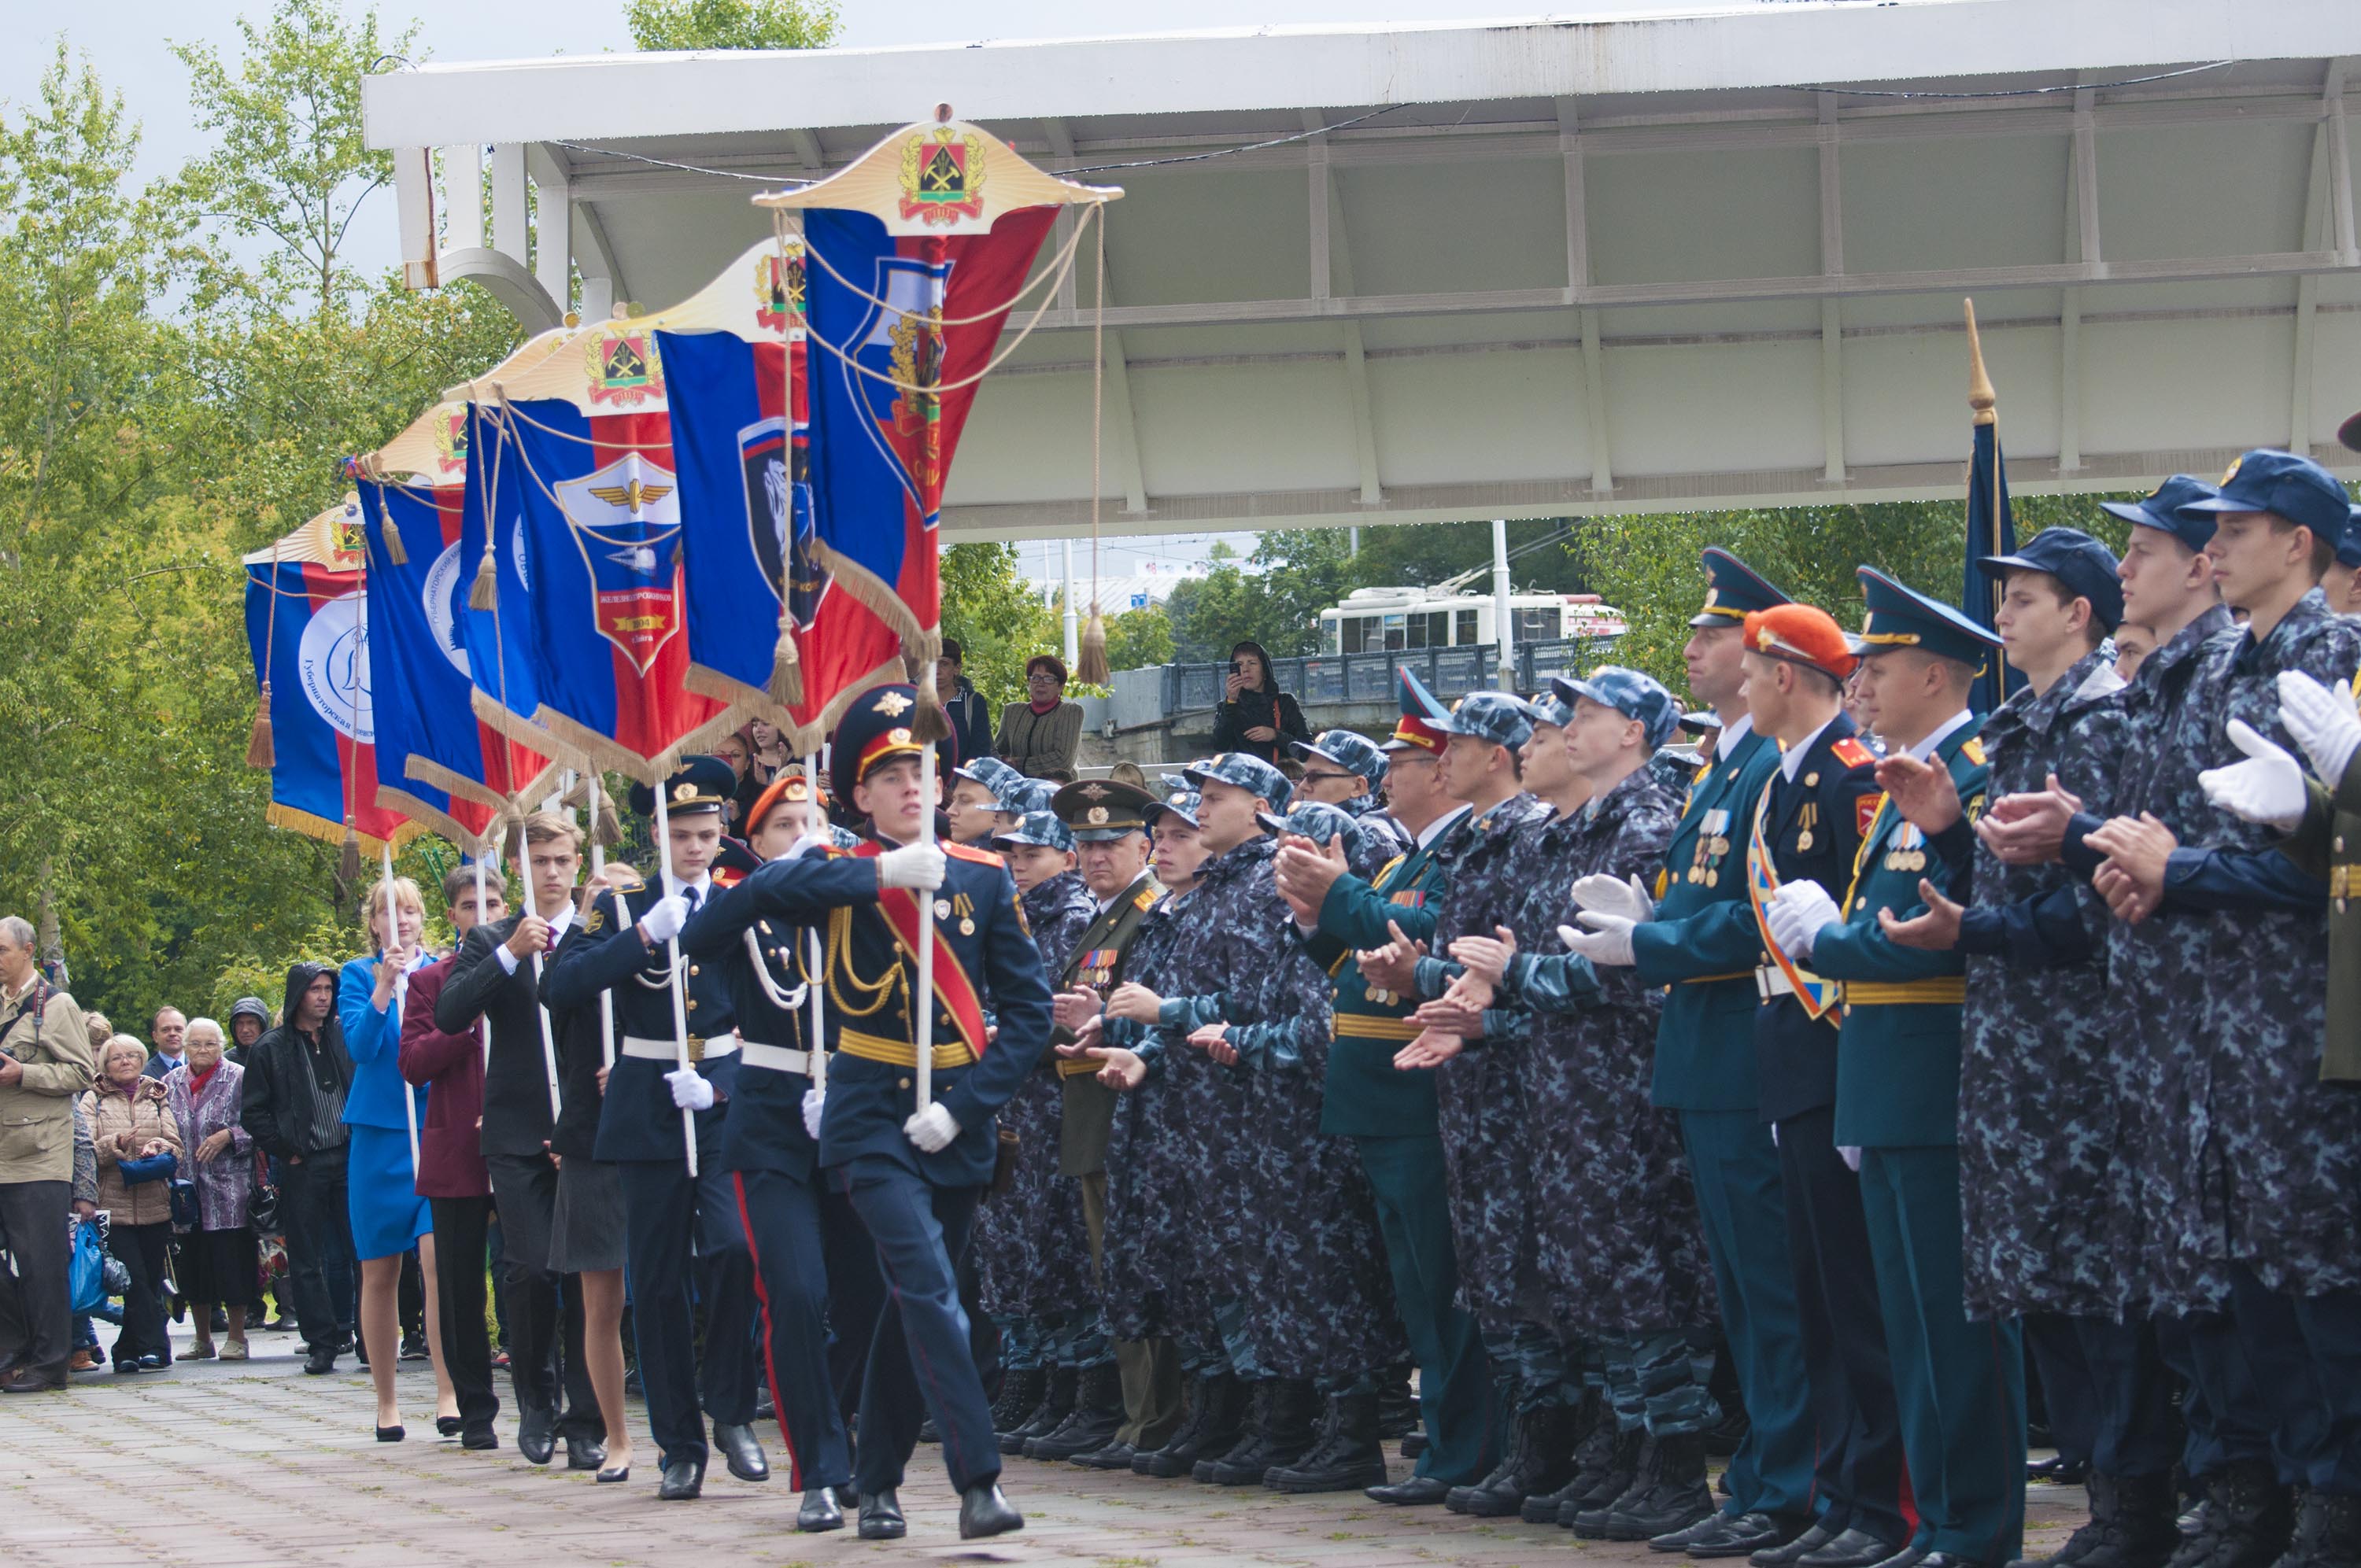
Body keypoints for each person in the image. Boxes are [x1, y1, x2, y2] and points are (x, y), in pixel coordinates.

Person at [1875, 528, 2178, 1568]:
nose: (2001, 613)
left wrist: (1973, 930)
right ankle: (2110, 1504)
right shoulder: (2024, 722)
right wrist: (1955, 834)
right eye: (2003, 596)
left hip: (2080, 1052)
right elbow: (2014, 889)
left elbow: (2090, 913)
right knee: (2040, 1282)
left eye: (2026, 598)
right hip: (2016, 1055)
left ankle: (2133, 1507)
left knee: (2098, 1286)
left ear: (2080, 613)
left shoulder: (2097, 720)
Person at [1548, 552, 1826, 1560]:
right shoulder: (1729, 763)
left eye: (1715, 637)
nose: (1695, 650)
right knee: (1747, 1293)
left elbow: (1762, 919)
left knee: (1774, 1289)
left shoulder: (1767, 766)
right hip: (1706, 1054)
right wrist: (1657, 923)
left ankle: (1788, 1477)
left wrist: (1652, 942)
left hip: (1748, 1051)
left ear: (1766, 654)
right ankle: (1765, 1470)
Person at [1768, 569, 2023, 1568]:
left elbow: (1936, 933)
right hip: (1886, 1067)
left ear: (1938, 671)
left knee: (1951, 1324)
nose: (1861, 683)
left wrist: (1832, 943)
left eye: (1879, 666)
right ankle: (1942, 1523)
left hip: (1934, 1070)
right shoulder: (1908, 770)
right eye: (1860, 665)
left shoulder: (1969, 766)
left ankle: (1971, 1529)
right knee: (1912, 1322)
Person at [1439, 667, 1726, 1546]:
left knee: (1642, 1279)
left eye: (1588, 714)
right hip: (1558, 1090)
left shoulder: (1643, 827)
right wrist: (1492, 986)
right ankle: (1619, 1452)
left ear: (1635, 731)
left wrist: (1509, 978)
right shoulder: (1568, 831)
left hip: (1619, 1093)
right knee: (1592, 1282)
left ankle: (1670, 1465)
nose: (1565, 726)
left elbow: (1629, 974)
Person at [771, 684, 1052, 1542]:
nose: (908, 785)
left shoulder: (984, 879)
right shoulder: (838, 874)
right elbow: (777, 900)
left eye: (919, 770)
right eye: (887, 773)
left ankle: (878, 1478)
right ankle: (979, 1480)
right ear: (858, 795)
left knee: (911, 1308)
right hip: (868, 1116)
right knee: (928, 1283)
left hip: (953, 1125)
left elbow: (1030, 1014)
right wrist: (877, 870)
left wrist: (967, 1107)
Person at [1270, 677, 1497, 1510]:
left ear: (1441, 771)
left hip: (1422, 1091)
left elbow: (1420, 940)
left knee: (1443, 1282)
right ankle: (1446, 1440)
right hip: (1375, 1092)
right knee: (1413, 1282)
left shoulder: (1455, 853)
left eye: (1403, 759)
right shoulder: (1405, 857)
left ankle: (1463, 1445)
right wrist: (1314, 916)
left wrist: (1340, 897)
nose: (1389, 773)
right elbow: (1353, 968)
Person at [545, 756, 767, 1502]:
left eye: (707, 832)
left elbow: (776, 1004)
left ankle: (732, 1409)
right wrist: (640, 935)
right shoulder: (622, 900)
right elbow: (560, 986)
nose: (696, 847)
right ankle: (680, 1443)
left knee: (735, 1250)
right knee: (660, 1278)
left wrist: (726, 1081)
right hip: (647, 1102)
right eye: (681, 833)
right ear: (656, 832)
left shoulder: (741, 898)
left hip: (724, 1096)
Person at [678, 769, 885, 1532]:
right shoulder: (748, 912)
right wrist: (774, 881)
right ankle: (820, 1469)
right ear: (758, 846)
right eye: (784, 827)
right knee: (795, 1294)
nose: (803, 834)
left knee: (865, 1297)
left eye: (811, 821)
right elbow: (700, 939)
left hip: (853, 1116)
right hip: (769, 1120)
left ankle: (845, 1429)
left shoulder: (853, 904)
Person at [432, 823, 608, 1470]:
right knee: (530, 1267)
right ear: (516, 865)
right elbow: (451, 1013)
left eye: (564, 859)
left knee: (590, 1273)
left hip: (586, 1126)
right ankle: (537, 1396)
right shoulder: (489, 938)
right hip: (515, 1127)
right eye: (540, 861)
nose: (554, 872)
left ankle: (587, 1416)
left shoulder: (595, 933)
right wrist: (509, 951)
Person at [1038, 778, 1182, 1470]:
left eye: (1111, 842)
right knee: (1109, 1263)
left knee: (1130, 1261)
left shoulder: (1147, 911)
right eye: (1085, 844)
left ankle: (1151, 1415)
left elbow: (1145, 1006)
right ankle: (1135, 1415)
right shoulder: (1103, 916)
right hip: (1090, 1107)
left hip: (1129, 1109)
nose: (1095, 855)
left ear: (1142, 845)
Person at [974, 809, 1109, 1462]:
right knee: (1014, 1251)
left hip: (1053, 1103)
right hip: (1011, 1105)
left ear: (1064, 856)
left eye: (1032, 851)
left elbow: (1063, 1018)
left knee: (1058, 1255)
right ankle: (1030, 1379)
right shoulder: (1016, 913)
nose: (1017, 862)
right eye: (1009, 850)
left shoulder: (1076, 920)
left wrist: (1005, 1031)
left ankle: (1076, 1386)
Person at [339, 876, 458, 1439]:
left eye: (410, 911)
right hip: (380, 1134)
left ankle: (447, 1389)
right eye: (390, 912)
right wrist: (385, 987)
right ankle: (387, 1399)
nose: (402, 921)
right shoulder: (356, 976)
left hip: (435, 1126)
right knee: (379, 1268)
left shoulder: (444, 968)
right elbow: (361, 1049)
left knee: (438, 1264)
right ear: (374, 923)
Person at [401, 863, 510, 1450]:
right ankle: (474, 1408)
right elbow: (413, 1062)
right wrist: (460, 1019)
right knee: (461, 1284)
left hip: (523, 1140)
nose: (484, 915)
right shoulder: (431, 982)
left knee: (528, 1273)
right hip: (456, 1147)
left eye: (493, 902)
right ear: (452, 915)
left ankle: (542, 1394)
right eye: (471, 905)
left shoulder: (527, 966)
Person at [541, 859, 641, 1486]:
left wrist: (633, 1063)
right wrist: (586, 915)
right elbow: (554, 990)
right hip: (591, 1137)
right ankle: (617, 1435)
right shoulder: (577, 954)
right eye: (603, 890)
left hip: (655, 1130)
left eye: (626, 889)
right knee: (600, 1296)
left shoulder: (659, 944)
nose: (615, 898)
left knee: (658, 1291)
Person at [240, 961, 357, 1373]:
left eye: (328, 988)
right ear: (298, 995)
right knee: (306, 1259)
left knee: (361, 1251)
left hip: (349, 1157)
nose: (323, 996)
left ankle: (366, 1336)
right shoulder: (270, 1048)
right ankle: (321, 1343)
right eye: (314, 989)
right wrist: (284, 1148)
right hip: (303, 1163)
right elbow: (252, 1114)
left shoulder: (345, 1034)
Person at [0, 913, 93, 1393]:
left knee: (39, 1265)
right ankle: (13, 1347)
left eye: (2, 951)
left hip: (37, 1155)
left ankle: (51, 1362)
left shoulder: (56, 1006)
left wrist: (25, 1075)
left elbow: (81, 1074)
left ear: (28, 951)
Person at [84, 1034, 183, 1373]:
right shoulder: (92, 1099)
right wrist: (114, 1144)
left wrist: (159, 1146)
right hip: (114, 1207)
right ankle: (157, 1345)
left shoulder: (157, 1097)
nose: (125, 1061)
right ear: (105, 1066)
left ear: (142, 1060)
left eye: (131, 1056)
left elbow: (176, 1146)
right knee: (135, 1280)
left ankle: (128, 1349)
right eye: (116, 1058)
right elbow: (82, 1153)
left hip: (156, 1204)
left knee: (150, 1280)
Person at [164, 1017, 257, 1363]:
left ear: (221, 1046)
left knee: (231, 1260)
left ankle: (237, 1337)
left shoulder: (238, 1076)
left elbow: (258, 1122)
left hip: (227, 1188)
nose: (203, 1050)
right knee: (193, 1263)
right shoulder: (169, 1082)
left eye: (211, 1044)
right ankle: (202, 1339)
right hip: (185, 1188)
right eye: (196, 1044)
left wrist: (229, 1136)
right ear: (185, 1047)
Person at [1212, 641, 1311, 766]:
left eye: (1252, 663)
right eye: (1239, 665)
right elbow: (1220, 745)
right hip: (1247, 780)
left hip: (1281, 779)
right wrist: (1231, 701)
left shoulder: (1286, 702)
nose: (1246, 669)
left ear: (1265, 670)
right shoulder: (1228, 706)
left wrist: (1276, 735)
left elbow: (1307, 751)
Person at [996, 655, 1084, 778]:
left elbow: (1063, 760)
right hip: (1018, 787)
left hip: (1059, 789)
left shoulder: (1071, 712)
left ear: (1061, 686)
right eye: (1036, 678)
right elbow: (997, 753)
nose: (1041, 684)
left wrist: (1017, 764)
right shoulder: (1012, 711)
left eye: (1049, 679)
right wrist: (1003, 759)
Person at [939, 639, 996, 767]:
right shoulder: (916, 702)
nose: (937, 671)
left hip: (962, 781)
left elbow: (980, 751)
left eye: (944, 664)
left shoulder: (973, 703)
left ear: (957, 668)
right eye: (932, 664)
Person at [142, 1007, 189, 1079]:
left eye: (178, 1029)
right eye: (166, 1030)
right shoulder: (144, 1073)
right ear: (155, 1036)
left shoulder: (199, 1067)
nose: (172, 1033)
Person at [226, 997, 270, 1064]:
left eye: (251, 1023)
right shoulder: (226, 1062)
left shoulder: (276, 1057)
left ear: (262, 1025)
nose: (245, 1030)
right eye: (240, 1023)